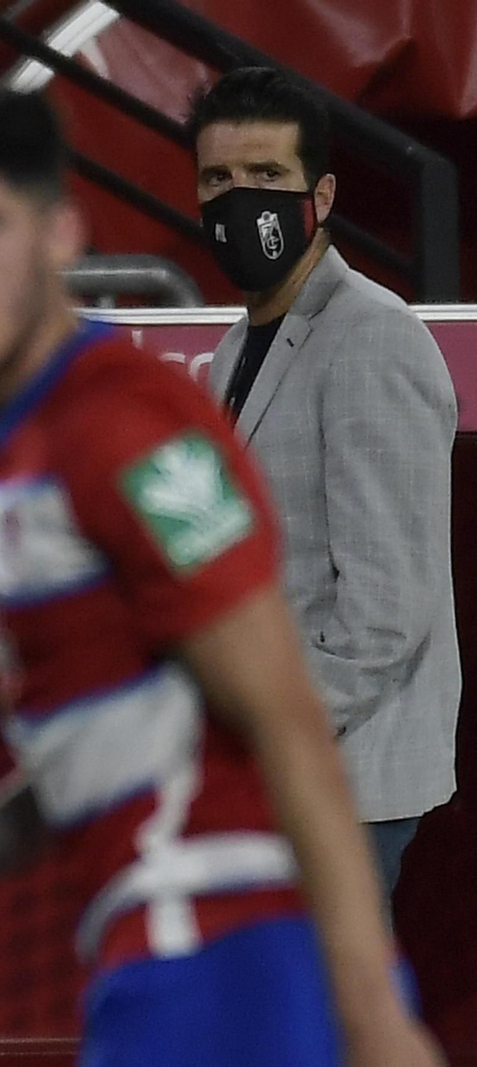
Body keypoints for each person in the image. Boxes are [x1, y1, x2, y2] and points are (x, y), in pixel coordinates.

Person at [0, 83, 443, 1067]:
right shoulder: (27, 438)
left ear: (61, 234)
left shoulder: (124, 425)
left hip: (231, 948)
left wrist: (371, 1015)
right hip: (165, 942)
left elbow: (279, 707)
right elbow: (130, 725)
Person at [190, 66, 459, 897]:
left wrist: (262, 724)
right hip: (271, 780)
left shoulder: (373, 339)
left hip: (347, 782)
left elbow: (385, 610)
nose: (242, 201)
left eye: (268, 177)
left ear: (324, 194)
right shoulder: (237, 349)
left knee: (332, 1024)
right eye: (218, 179)